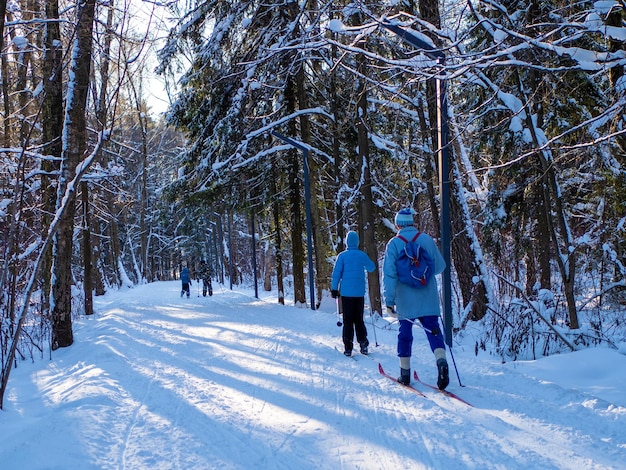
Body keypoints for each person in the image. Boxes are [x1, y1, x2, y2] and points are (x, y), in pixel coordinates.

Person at [383, 208, 449, 389]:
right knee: (433, 331)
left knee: (405, 335)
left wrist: (389, 301)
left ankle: (405, 374)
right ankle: (441, 362)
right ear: (412, 222)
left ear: (398, 224)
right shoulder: (426, 239)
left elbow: (390, 275)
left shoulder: (394, 244)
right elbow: (439, 266)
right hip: (428, 298)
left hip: (405, 299)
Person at [331, 230, 376, 356]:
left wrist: (334, 289)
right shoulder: (362, 255)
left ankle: (348, 347)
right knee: (359, 319)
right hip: (359, 293)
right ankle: (363, 343)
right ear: (357, 242)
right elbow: (372, 267)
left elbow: (336, 274)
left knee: (348, 320)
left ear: (346, 242)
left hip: (346, 294)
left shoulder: (342, 256)